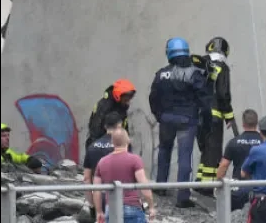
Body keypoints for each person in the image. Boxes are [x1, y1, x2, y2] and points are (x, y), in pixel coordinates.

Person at [148, 37, 211, 208]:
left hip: (166, 119)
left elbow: (153, 98)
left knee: (164, 151)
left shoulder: (161, 74)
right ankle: (183, 197)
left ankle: (161, 186)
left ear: (169, 53)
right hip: (187, 121)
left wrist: (159, 115)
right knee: (184, 158)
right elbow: (205, 100)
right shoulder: (194, 74)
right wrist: (205, 120)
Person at [195, 36, 238, 195]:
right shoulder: (222, 67)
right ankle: (206, 188)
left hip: (198, 115)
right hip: (214, 116)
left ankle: (200, 181)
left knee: (205, 149)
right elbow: (223, 93)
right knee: (213, 151)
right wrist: (229, 116)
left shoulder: (200, 63)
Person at [92, 128, 156, 223]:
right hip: (132, 208)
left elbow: (96, 190)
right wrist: (151, 207)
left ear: (112, 142)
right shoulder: (135, 159)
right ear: (128, 140)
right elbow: (144, 185)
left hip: (111, 209)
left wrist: (99, 211)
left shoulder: (102, 162)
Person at [215, 109, 264, 208]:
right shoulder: (264, 142)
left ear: (243, 124)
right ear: (257, 123)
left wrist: (219, 185)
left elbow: (223, 166)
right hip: (260, 188)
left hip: (238, 189)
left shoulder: (234, 142)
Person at [83, 112, 125, 221]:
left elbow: (86, 178)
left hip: (99, 196)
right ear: (120, 125)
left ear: (105, 126)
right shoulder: (122, 146)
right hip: (119, 195)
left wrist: (92, 205)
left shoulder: (92, 147)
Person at [85, 79, 137, 150]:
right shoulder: (103, 107)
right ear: (118, 96)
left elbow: (124, 127)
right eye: (126, 100)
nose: (128, 103)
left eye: (129, 100)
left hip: (116, 144)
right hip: (101, 146)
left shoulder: (121, 107)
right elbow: (95, 131)